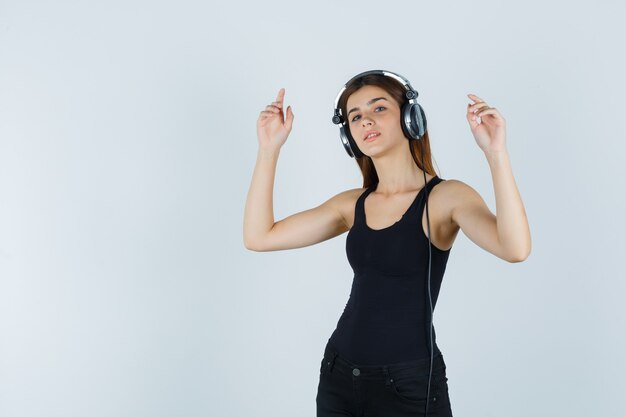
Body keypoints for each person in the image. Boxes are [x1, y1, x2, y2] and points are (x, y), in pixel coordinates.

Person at [243, 71, 531, 416]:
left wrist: (496, 154)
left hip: (409, 386)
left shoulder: (446, 198)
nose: (366, 121)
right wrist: (268, 150)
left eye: (378, 109)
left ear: (410, 118)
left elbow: (515, 249)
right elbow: (259, 237)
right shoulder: (352, 205)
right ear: (348, 136)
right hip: (339, 376)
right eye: (355, 117)